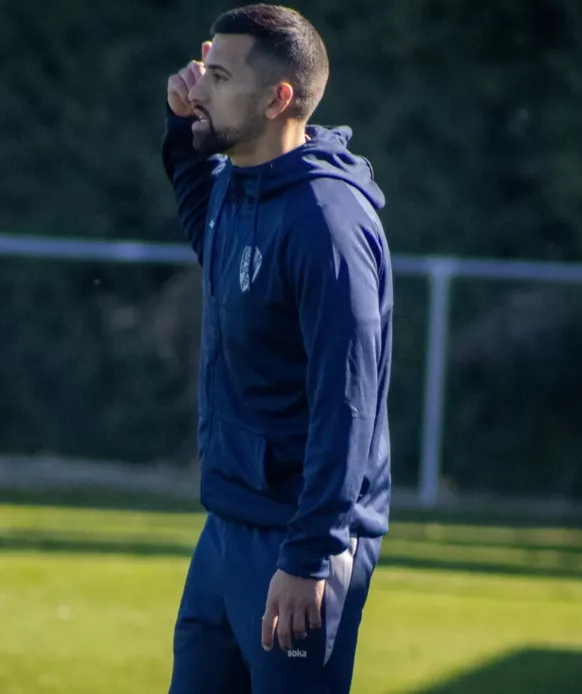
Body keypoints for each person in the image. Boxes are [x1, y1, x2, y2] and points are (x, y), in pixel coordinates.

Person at [161, 5, 392, 693]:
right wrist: (184, 127)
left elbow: (346, 407)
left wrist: (310, 557)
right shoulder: (237, 186)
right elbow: (194, 200)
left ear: (277, 99)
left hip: (299, 544)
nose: (199, 86)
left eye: (219, 76)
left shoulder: (327, 224)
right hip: (228, 527)